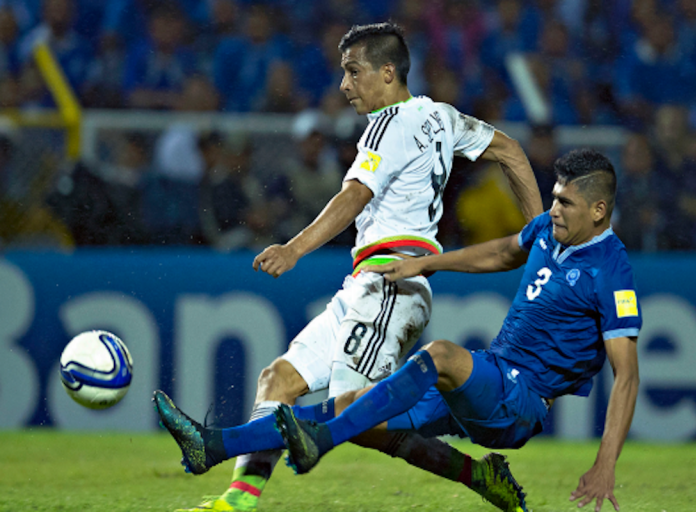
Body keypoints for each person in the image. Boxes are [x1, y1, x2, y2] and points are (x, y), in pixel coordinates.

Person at [161, 22, 543, 512]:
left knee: (352, 414)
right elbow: (510, 150)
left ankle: (214, 444)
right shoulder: (440, 117)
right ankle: (235, 503)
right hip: (368, 283)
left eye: (353, 71)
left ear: (388, 73)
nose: (344, 85)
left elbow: (355, 194)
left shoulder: (388, 123)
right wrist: (538, 231)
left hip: (392, 282)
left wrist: (294, 248)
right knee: (279, 382)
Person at [153, 148, 640, 512]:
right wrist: (429, 264)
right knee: (355, 411)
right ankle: (213, 446)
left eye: (566, 203)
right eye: (554, 198)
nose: (553, 210)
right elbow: (504, 252)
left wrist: (606, 464)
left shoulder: (610, 271)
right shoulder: (548, 231)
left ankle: (316, 444)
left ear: (599, 211)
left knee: (442, 356)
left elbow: (627, 376)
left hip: (522, 402)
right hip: (492, 375)